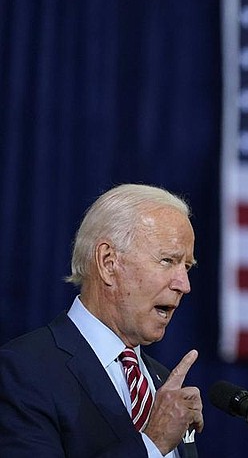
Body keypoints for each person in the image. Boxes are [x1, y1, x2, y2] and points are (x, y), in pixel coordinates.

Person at [0, 183, 203, 457]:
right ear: (108, 263)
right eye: (168, 260)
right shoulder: (22, 371)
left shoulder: (163, 384)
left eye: (187, 267)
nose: (184, 284)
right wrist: (152, 442)